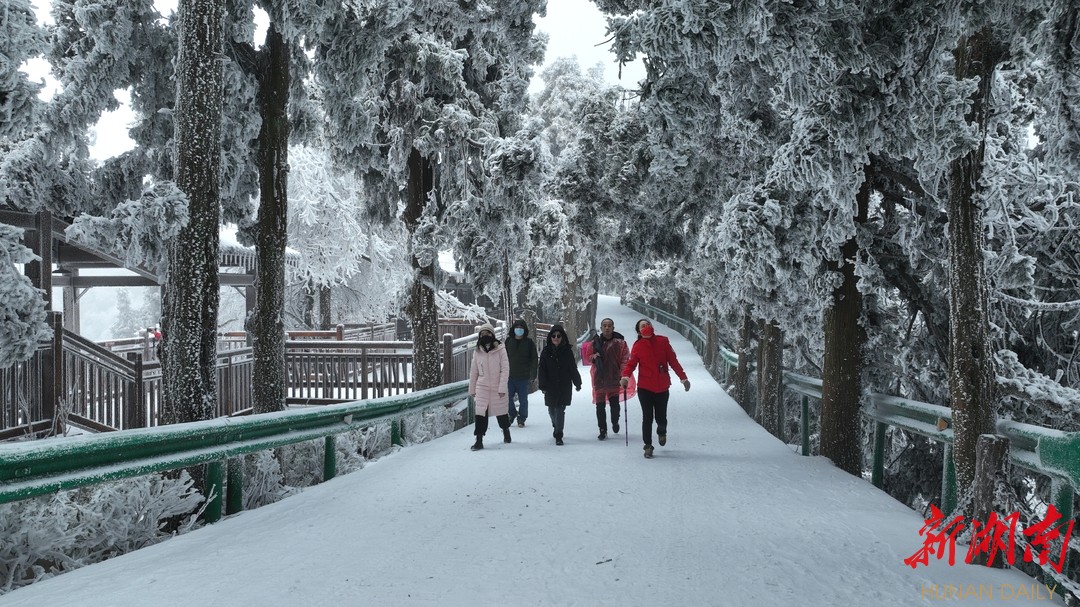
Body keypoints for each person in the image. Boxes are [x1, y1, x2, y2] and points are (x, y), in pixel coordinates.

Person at [620, 318, 690, 459]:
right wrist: (625, 377)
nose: (646, 327)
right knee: (647, 417)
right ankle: (647, 446)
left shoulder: (663, 341)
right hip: (645, 388)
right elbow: (631, 364)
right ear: (639, 331)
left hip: (662, 387)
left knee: (661, 418)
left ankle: (661, 431)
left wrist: (683, 378)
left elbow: (673, 361)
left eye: (648, 324)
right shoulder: (638, 346)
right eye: (642, 326)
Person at [468, 323, 511, 451]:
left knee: (501, 413)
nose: (485, 336)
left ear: (492, 334)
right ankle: (479, 440)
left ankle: (505, 430)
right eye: (482, 334)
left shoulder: (501, 349)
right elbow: (473, 371)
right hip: (482, 386)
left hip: (498, 386)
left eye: (487, 333)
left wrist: (502, 387)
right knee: (480, 414)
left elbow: (505, 369)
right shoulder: (477, 351)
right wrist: (472, 388)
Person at [537, 323, 581, 446]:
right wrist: (543, 385)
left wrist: (577, 382)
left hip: (564, 385)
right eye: (554, 336)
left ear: (563, 337)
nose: (556, 338)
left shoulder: (567, 352)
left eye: (559, 336)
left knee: (560, 409)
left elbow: (572, 368)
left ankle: (558, 434)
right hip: (550, 385)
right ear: (550, 337)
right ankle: (556, 424)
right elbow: (542, 369)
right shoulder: (546, 352)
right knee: (551, 409)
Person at [586, 318, 630, 440]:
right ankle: (602, 429)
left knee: (614, 405)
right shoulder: (595, 343)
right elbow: (587, 356)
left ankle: (615, 421)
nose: (607, 328)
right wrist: (594, 356)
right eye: (604, 326)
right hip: (599, 378)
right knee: (600, 406)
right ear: (601, 328)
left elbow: (625, 359)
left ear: (613, 328)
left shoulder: (620, 343)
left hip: (614, 377)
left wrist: (623, 374)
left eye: (609, 325)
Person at [505, 318, 538, 428]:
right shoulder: (508, 341)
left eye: (521, 328)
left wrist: (533, 374)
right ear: (513, 329)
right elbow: (502, 357)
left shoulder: (529, 343)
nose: (519, 330)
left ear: (524, 330)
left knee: (523, 400)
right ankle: (512, 413)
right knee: (507, 398)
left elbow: (534, 359)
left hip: (523, 377)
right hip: (509, 376)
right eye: (517, 328)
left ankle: (522, 418)